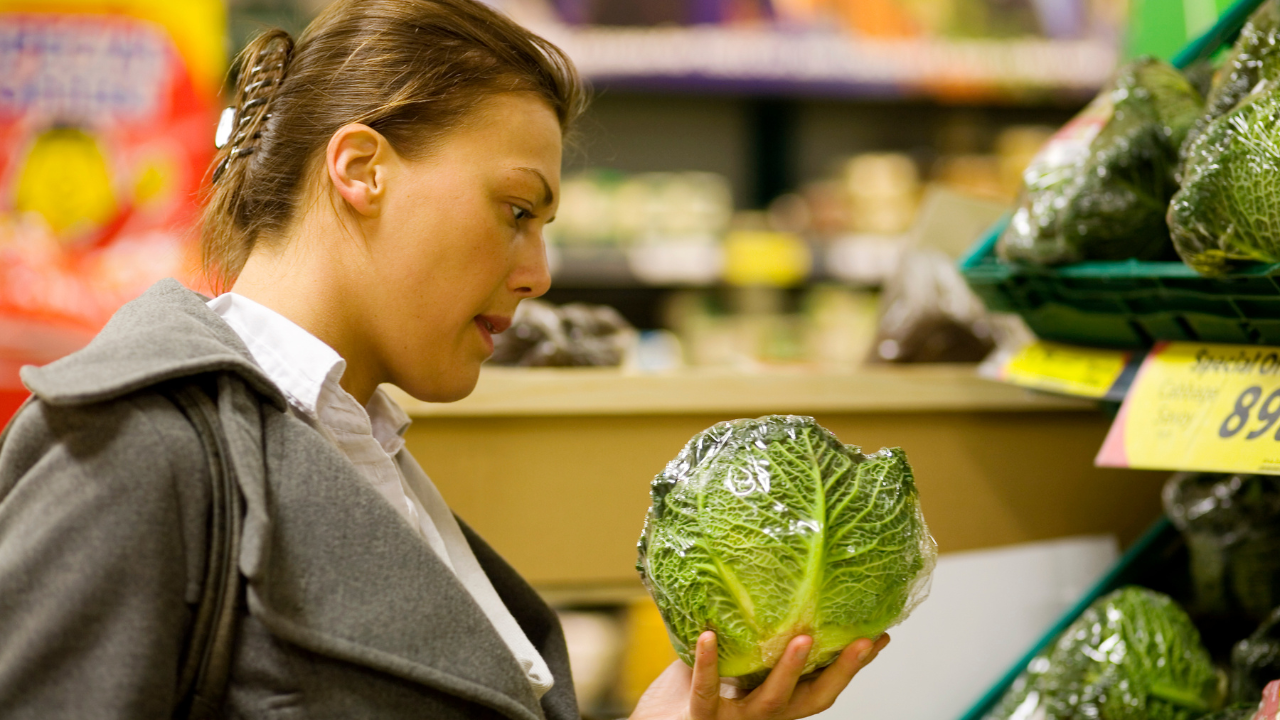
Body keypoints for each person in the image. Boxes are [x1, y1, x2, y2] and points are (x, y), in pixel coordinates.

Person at [0, 1, 889, 718]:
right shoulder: (135, 443)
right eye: (515, 212)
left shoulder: (359, 440)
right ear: (361, 168)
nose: (538, 274)